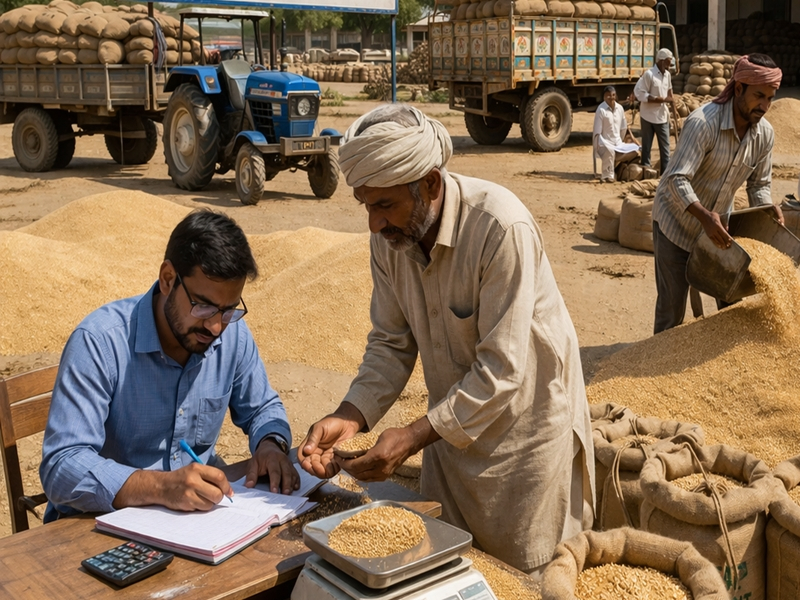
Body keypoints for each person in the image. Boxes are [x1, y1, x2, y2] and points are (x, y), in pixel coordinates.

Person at [297, 105, 595, 576]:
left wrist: (412, 437)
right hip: (449, 438)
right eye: (366, 205)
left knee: (527, 576)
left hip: (526, 442)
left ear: (430, 185)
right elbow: (391, 343)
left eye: (384, 205)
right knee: (455, 572)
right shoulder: (389, 240)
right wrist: (349, 416)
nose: (373, 223)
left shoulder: (500, 228)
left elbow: (502, 371)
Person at [40, 210, 298, 522]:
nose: (216, 326)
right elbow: (62, 466)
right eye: (203, 306)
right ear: (167, 279)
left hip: (197, 520)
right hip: (98, 525)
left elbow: (262, 409)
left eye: (228, 310)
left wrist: (270, 446)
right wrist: (161, 487)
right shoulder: (100, 342)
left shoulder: (232, 335)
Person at [652, 53, 784, 334]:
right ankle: (649, 374)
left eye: (770, 98)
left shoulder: (765, 135)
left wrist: (766, 213)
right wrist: (702, 217)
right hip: (676, 225)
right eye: (759, 96)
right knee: (672, 312)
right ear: (738, 89)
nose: (764, 105)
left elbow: (758, 185)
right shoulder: (703, 123)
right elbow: (676, 179)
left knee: (732, 303)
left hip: (718, 231)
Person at [634, 48, 674, 174]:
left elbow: (669, 91)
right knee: (646, 147)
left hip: (661, 116)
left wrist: (673, 105)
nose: (670, 64)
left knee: (665, 148)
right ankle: (646, 171)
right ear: (662, 61)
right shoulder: (649, 75)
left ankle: (665, 173)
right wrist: (660, 99)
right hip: (647, 116)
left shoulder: (667, 75)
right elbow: (641, 94)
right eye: (668, 61)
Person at [593, 85, 639, 182]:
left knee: (635, 150)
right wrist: (599, 146)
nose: (611, 97)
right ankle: (608, 175)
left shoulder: (620, 109)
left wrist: (619, 142)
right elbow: (597, 133)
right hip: (604, 144)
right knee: (609, 150)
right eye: (609, 96)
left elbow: (623, 128)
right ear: (604, 97)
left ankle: (619, 170)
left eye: (613, 95)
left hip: (618, 145)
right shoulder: (601, 110)